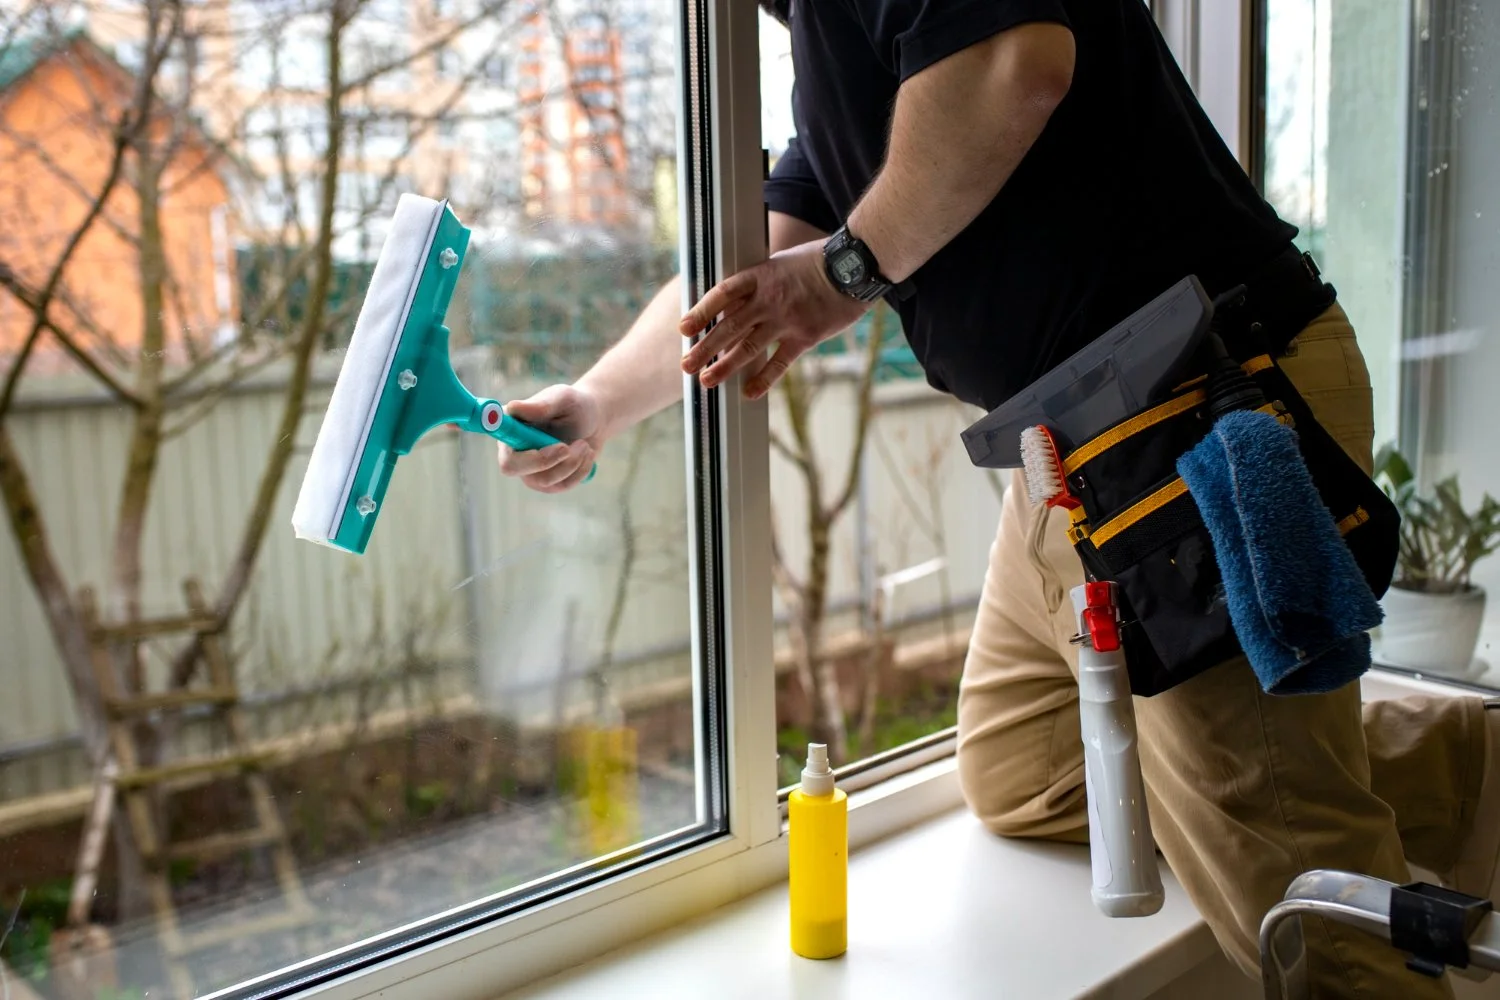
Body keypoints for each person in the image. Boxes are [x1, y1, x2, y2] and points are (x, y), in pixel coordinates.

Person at [496, 1, 1500, 995]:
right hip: (1074, 449)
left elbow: (1019, 66)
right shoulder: (832, 48)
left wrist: (844, 272)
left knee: (1303, 902)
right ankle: (1469, 768)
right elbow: (760, 257)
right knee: (1029, 764)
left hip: (1203, 416)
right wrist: (598, 402)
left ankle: (1313, 799)